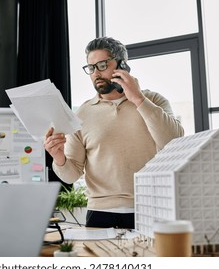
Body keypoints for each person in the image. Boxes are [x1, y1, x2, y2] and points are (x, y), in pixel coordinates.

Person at [44, 36, 184, 229]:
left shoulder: (154, 101)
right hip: (99, 214)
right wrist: (58, 157)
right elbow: (71, 175)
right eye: (91, 68)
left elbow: (174, 141)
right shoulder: (82, 113)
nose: (95, 73)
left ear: (122, 66)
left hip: (150, 209)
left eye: (102, 65)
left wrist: (138, 99)